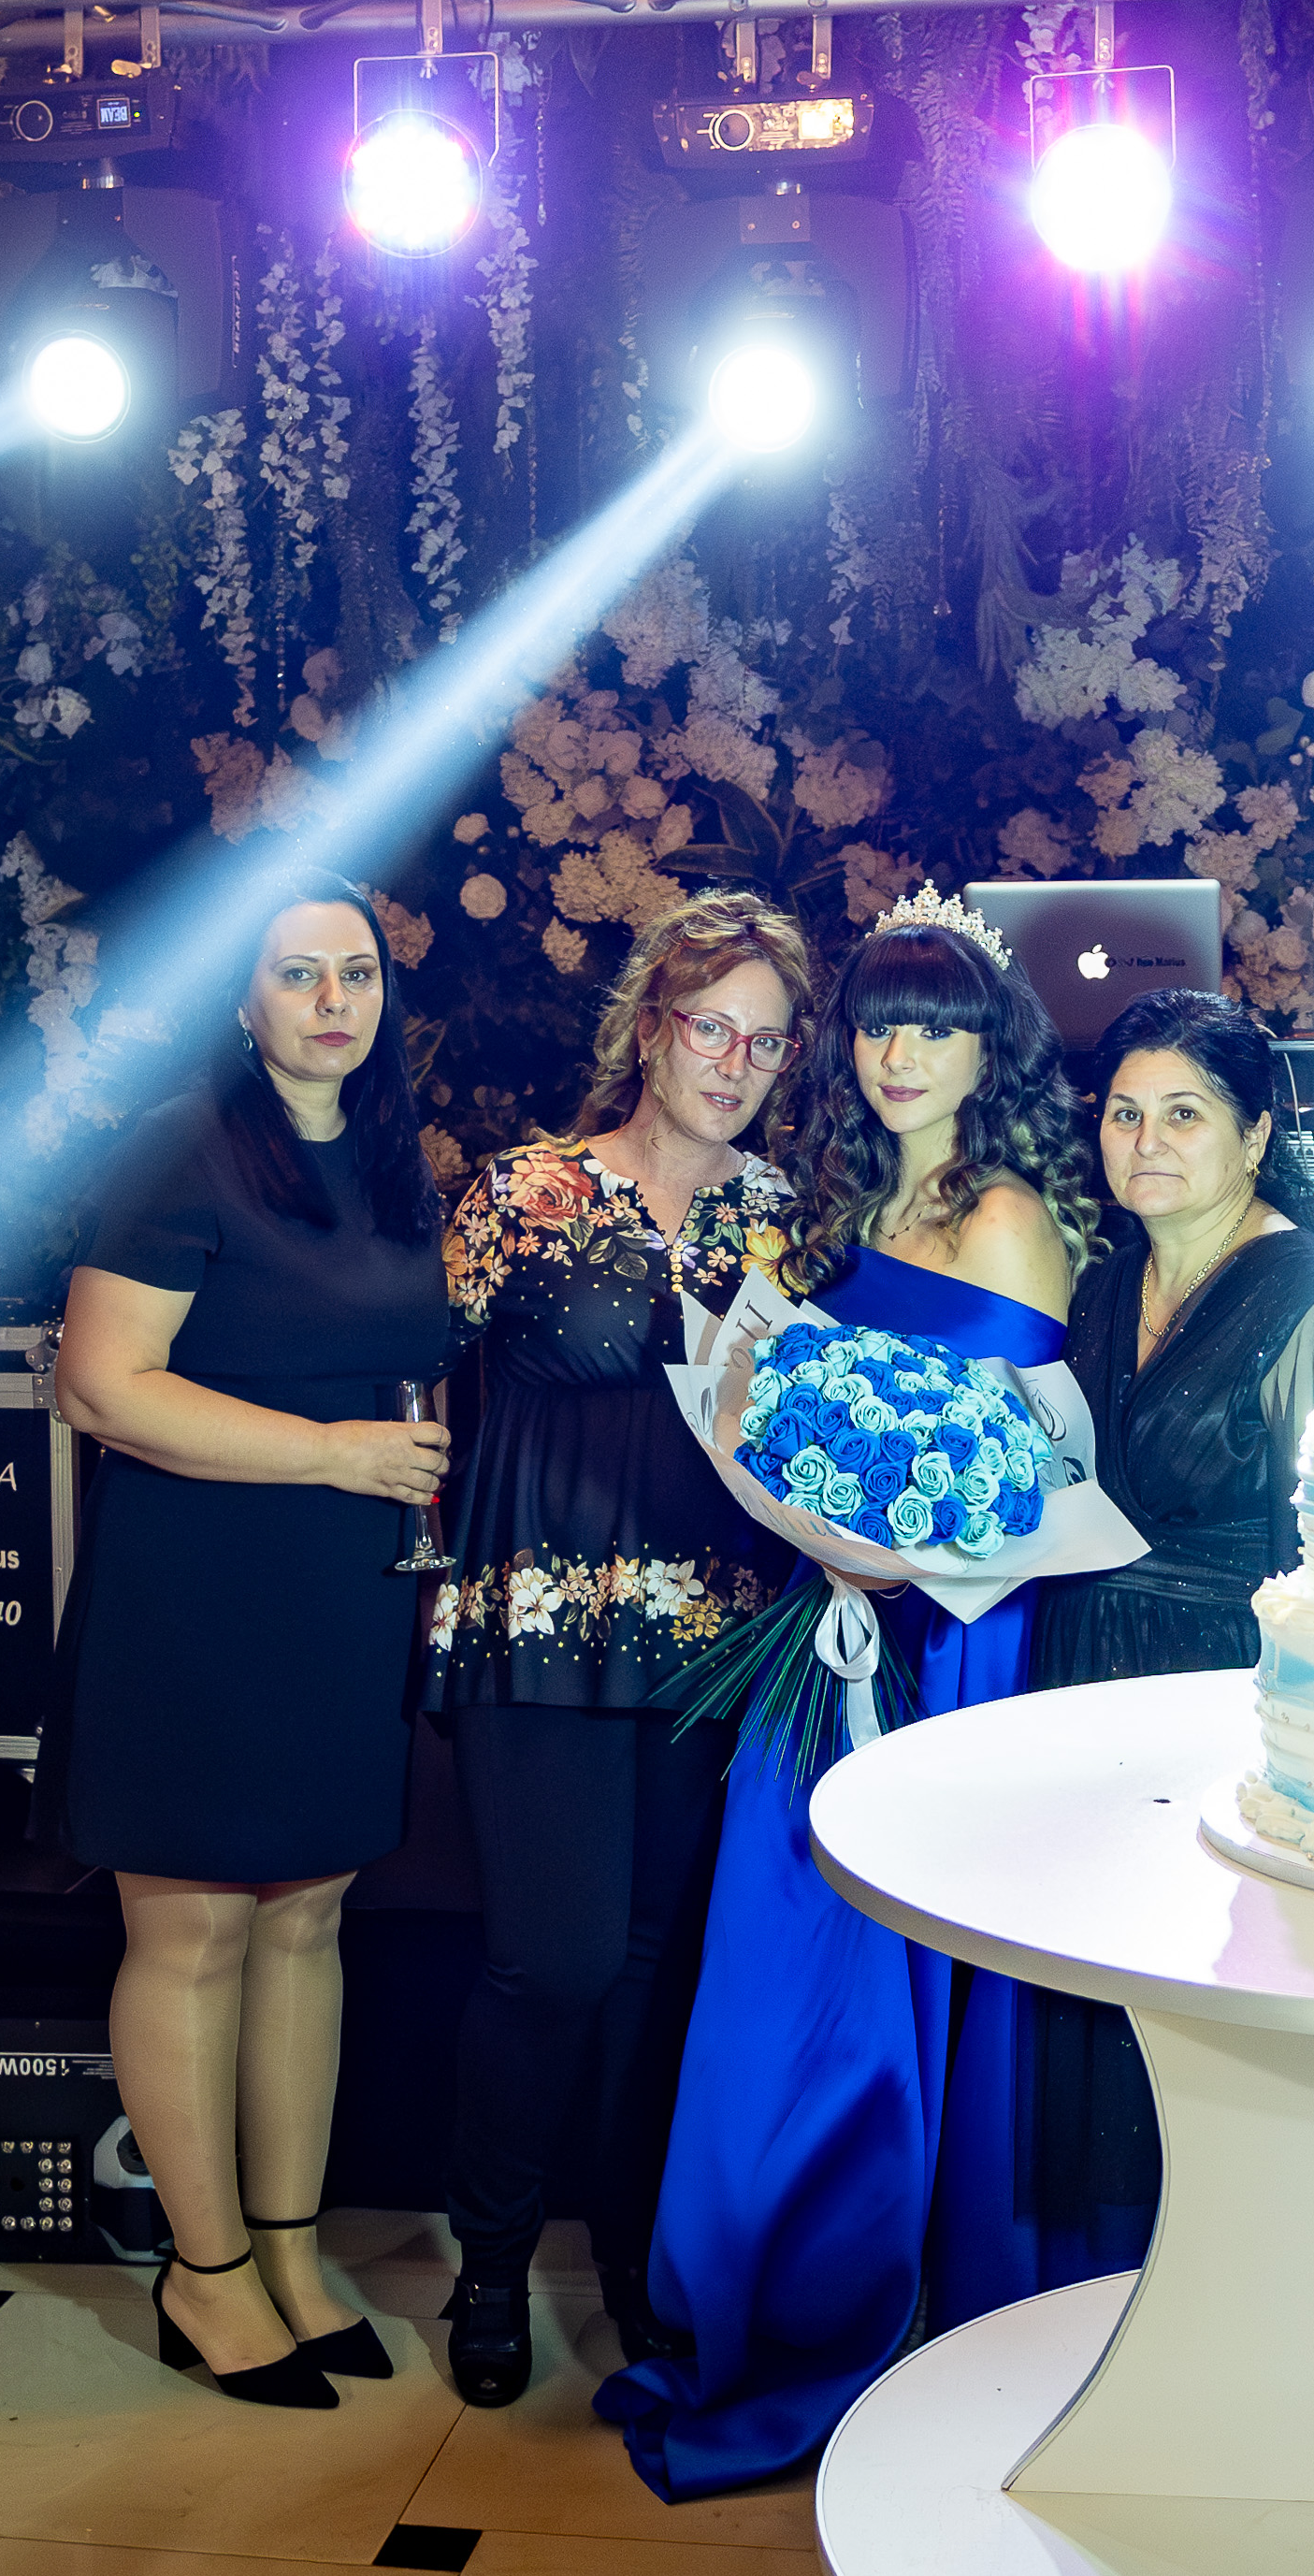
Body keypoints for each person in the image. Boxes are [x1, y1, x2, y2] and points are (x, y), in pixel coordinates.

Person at [598, 885, 1103, 2504]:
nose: (902, 1053)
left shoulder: (1006, 1214)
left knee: (896, 1979)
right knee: (779, 1963)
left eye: (936, 1027)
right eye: (881, 1023)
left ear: (986, 1049)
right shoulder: (828, 1207)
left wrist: (901, 1553)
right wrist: (815, 1521)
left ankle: (904, 2317)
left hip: (951, 1644)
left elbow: (1033, 1465)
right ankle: (773, 2298)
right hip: (825, 1630)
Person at [40, 877, 450, 2408]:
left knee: (306, 1923)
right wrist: (336, 1455)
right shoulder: (181, 1145)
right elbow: (101, 1384)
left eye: (357, 974)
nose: (334, 1001)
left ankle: (289, 2253)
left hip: (341, 1593)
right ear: (242, 998)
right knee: (194, 1932)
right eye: (297, 973)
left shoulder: (394, 1159)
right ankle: (200, 2275)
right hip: (194, 1590)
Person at [424, 888, 816, 2410]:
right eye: (711, 1028)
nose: (733, 1063)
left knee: (655, 1971)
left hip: (709, 1638)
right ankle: (487, 2261)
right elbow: (406, 1373)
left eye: (764, 1043)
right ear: (649, 1027)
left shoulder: (777, 1217)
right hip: (537, 1621)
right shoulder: (523, 1193)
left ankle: (635, 2257)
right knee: (555, 1961)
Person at [1023, 991, 1314, 2257]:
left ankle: (1232, 2281)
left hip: (1222, 1695)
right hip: (1080, 1678)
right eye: (1124, 1114)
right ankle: (1098, 2288)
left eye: (1184, 1114)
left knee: (1205, 2000)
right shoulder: (1102, 1280)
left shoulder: (1311, 1293)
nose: (1147, 1142)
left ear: (1255, 1134)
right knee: (1097, 1991)